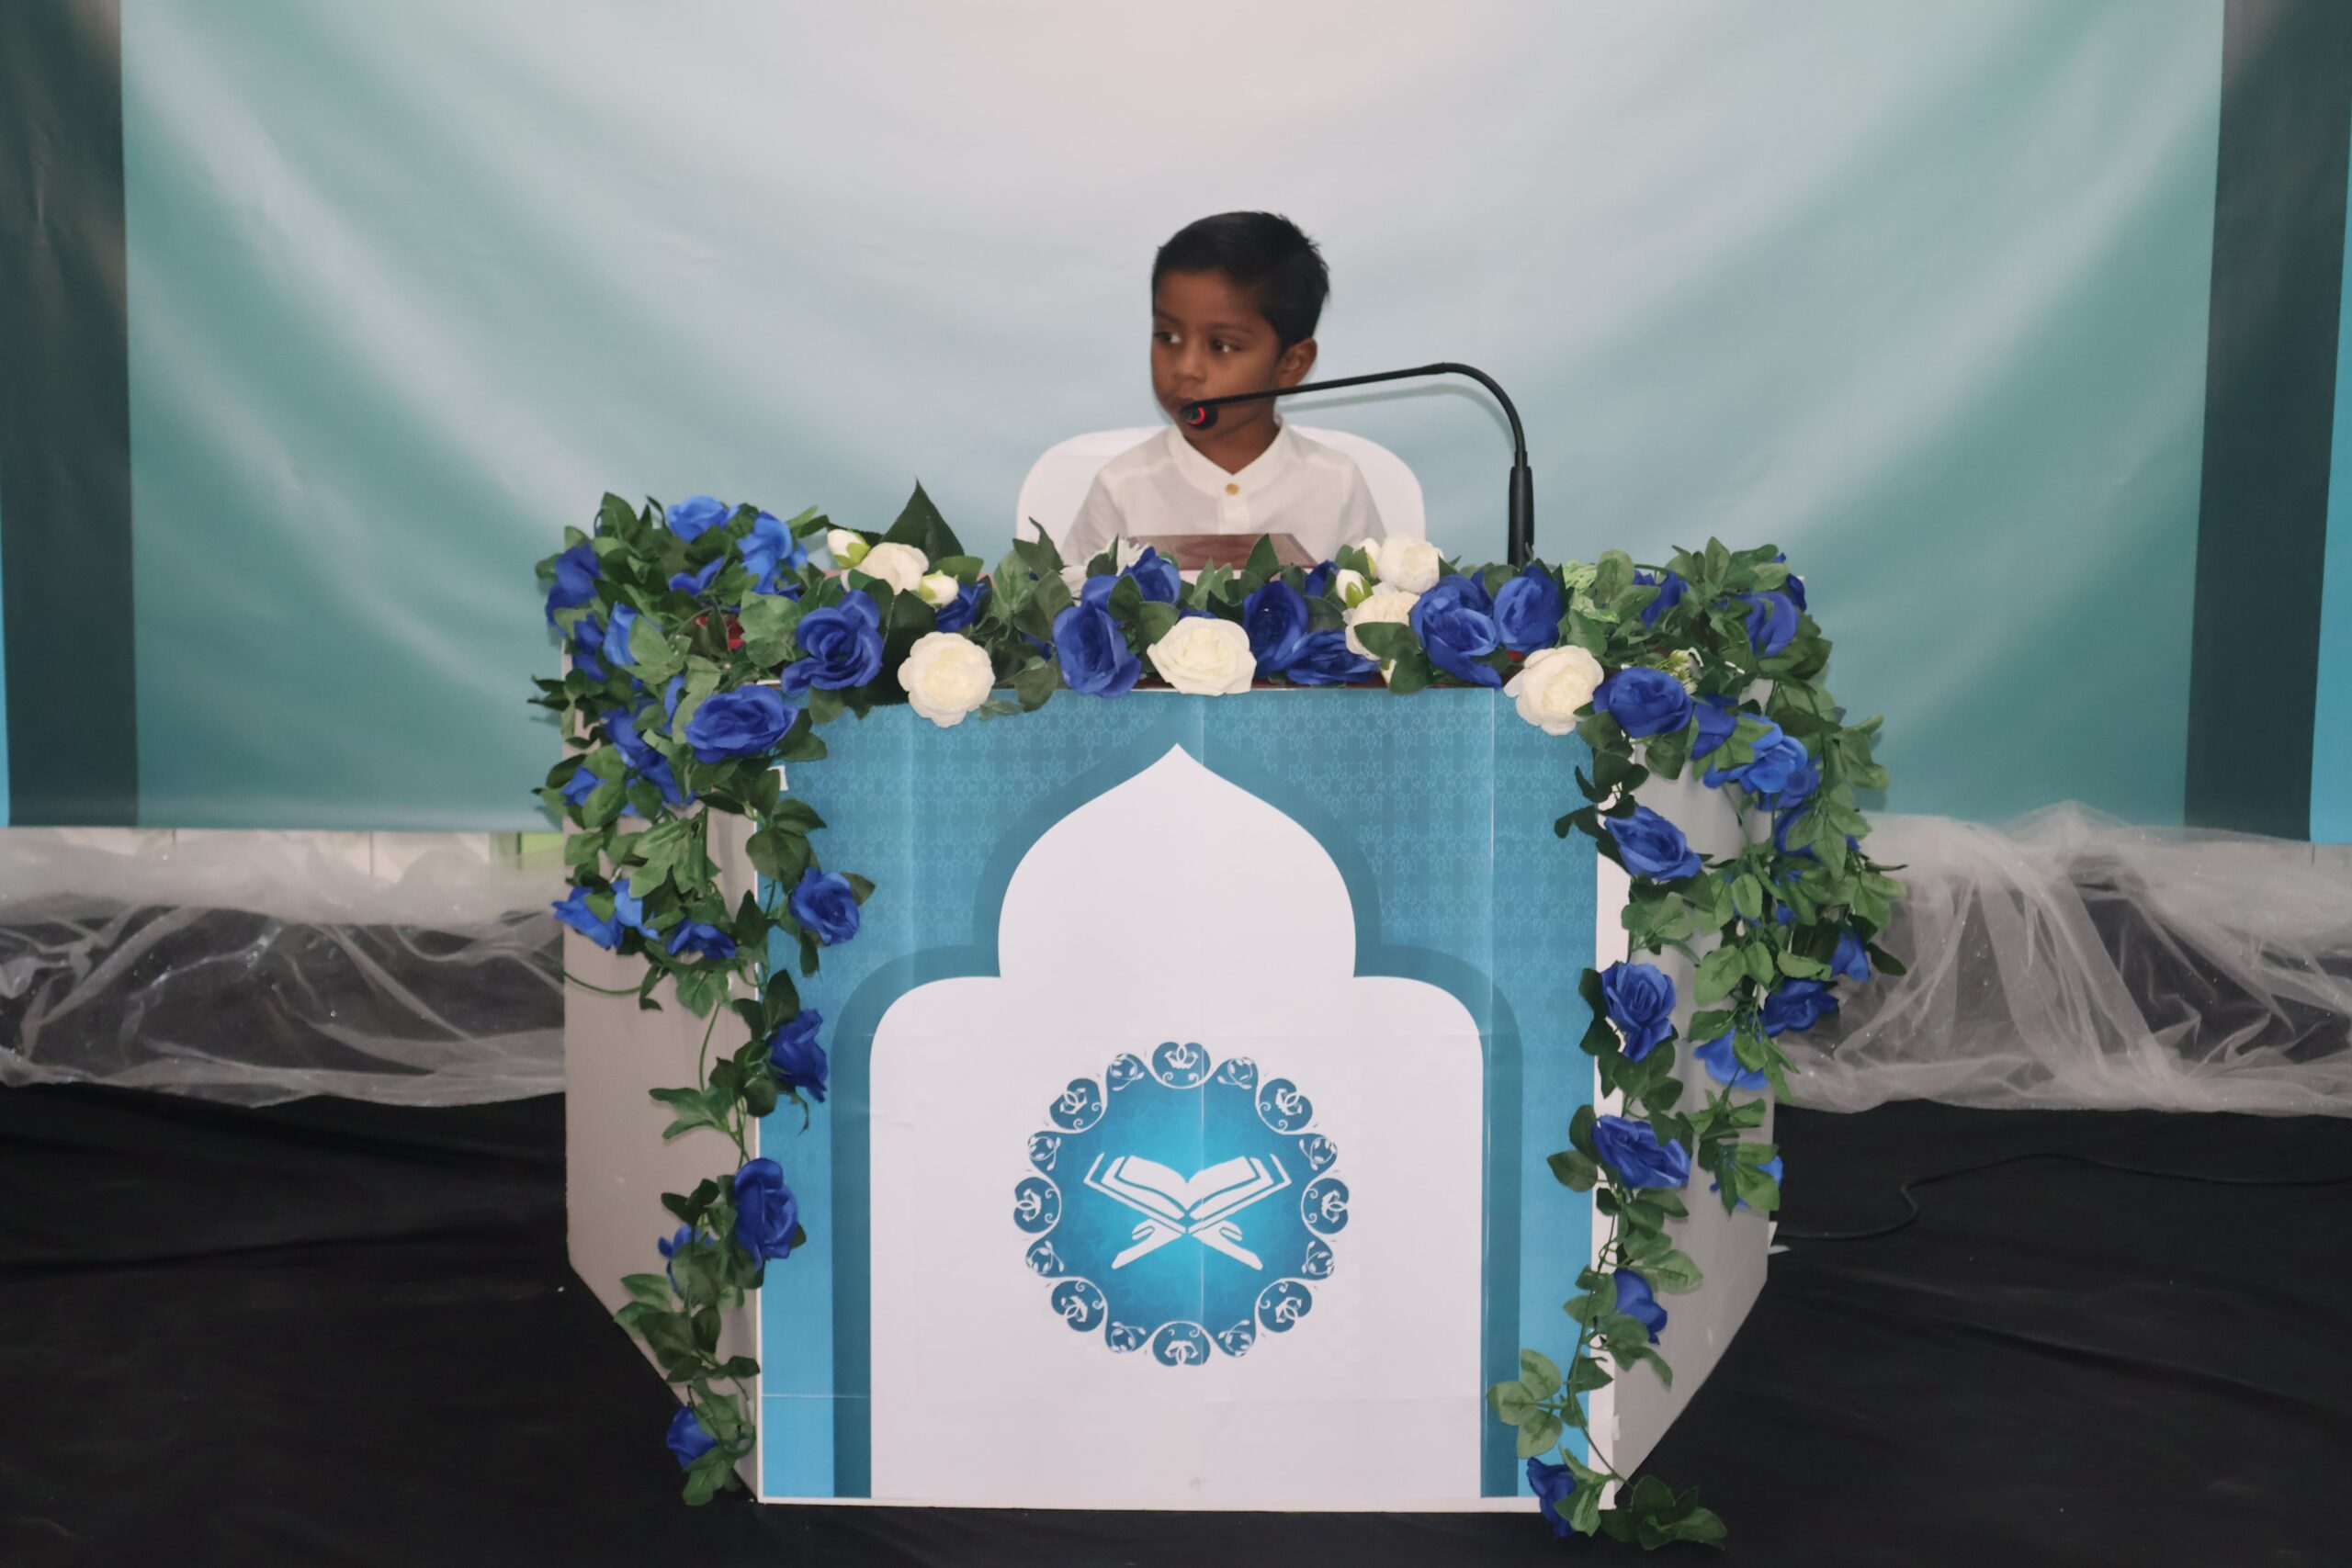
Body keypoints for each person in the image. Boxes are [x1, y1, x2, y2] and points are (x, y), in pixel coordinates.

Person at [1060, 212, 1386, 566]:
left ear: (1292, 364)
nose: (1186, 368)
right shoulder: (1121, 486)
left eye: (1222, 346)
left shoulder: (1336, 482)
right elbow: (1075, 596)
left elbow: (1370, 595)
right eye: (1168, 337)